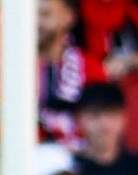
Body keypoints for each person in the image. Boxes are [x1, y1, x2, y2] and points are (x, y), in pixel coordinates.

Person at [38, 0, 107, 147]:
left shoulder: (89, 67)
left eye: (45, 14)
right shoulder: (11, 66)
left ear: (69, 17)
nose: (36, 22)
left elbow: (100, 119)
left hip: (78, 157)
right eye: (32, 15)